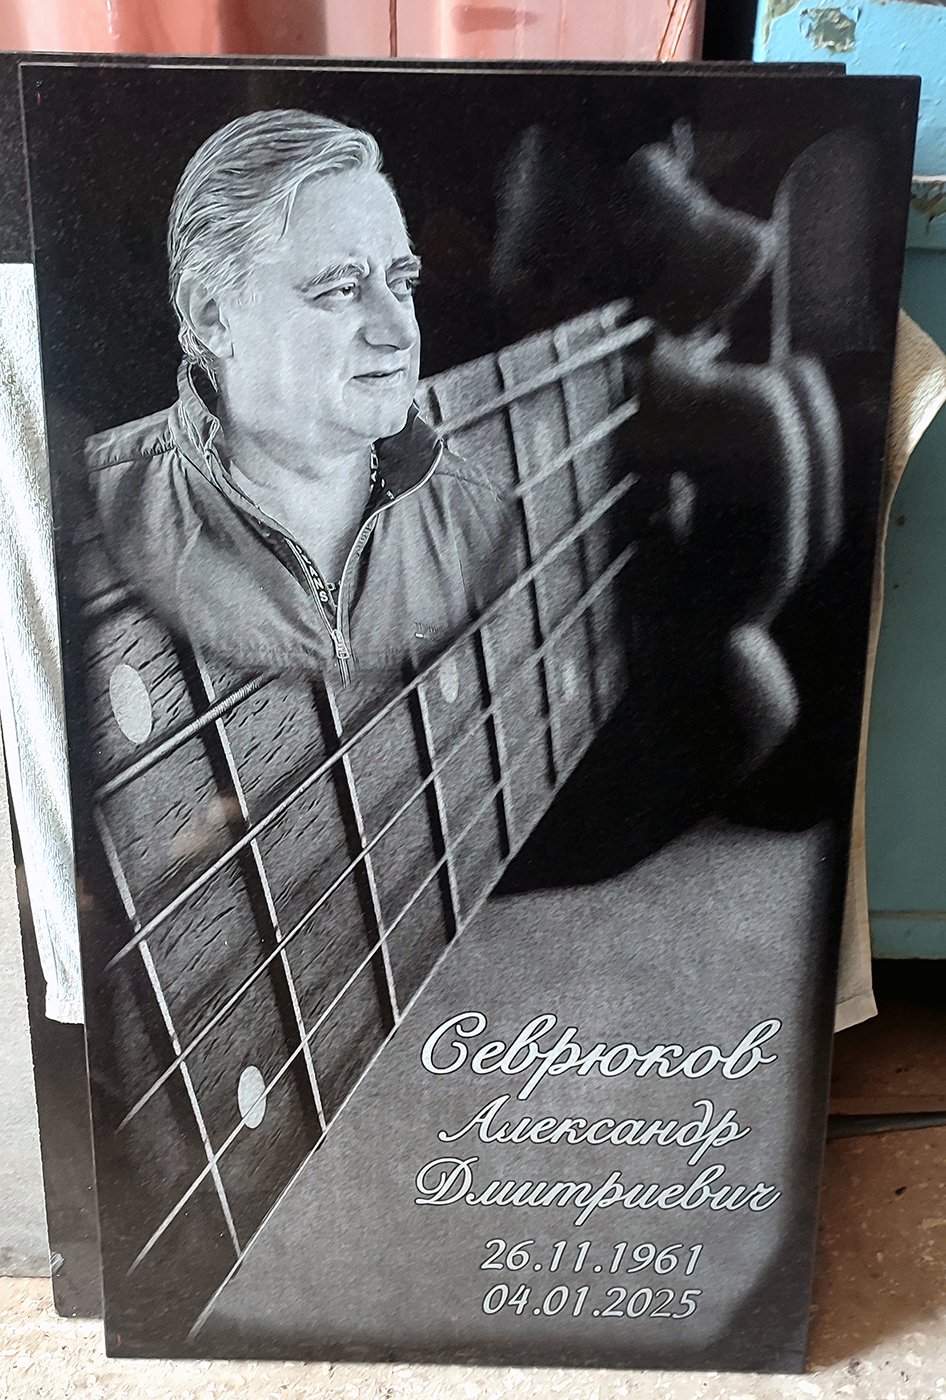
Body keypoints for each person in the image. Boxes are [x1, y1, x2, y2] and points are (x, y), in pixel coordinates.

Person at [86, 108, 519, 683]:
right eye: (342, 289)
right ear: (213, 315)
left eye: (402, 283)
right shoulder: (79, 524)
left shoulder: (475, 514)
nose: (400, 331)